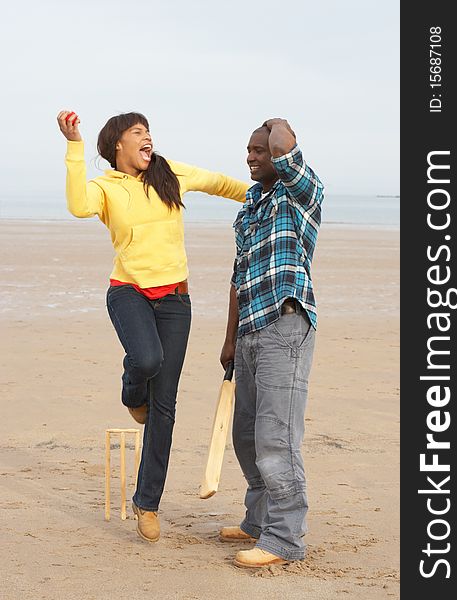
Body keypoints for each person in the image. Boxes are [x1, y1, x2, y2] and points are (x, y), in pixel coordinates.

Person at [57, 109, 248, 543]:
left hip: (176, 299)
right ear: (117, 145)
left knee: (165, 407)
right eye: (137, 133)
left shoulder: (168, 173)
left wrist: (263, 193)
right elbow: (76, 206)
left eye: (148, 132)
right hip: (129, 291)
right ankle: (131, 391)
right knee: (146, 359)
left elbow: (219, 183)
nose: (147, 138)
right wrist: (73, 146)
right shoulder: (105, 187)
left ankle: (147, 503)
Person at [219, 118, 324, 568]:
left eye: (259, 150)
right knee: (245, 436)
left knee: (275, 438)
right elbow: (238, 279)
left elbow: (285, 141)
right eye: (248, 150)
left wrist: (273, 125)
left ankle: (284, 540)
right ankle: (257, 521)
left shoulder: (299, 195)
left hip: (286, 327)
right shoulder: (248, 209)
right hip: (249, 333)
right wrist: (229, 341)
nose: (251, 156)